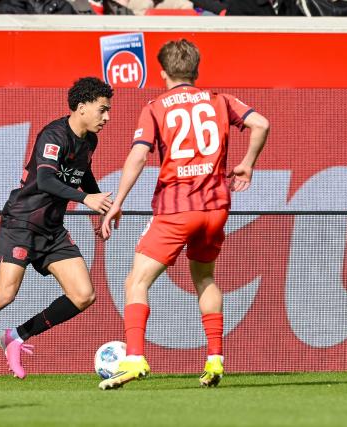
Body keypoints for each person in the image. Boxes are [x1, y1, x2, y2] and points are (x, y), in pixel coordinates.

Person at [98, 39, 269, 390]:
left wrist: (117, 202)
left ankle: (133, 359)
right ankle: (215, 359)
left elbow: (138, 157)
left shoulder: (156, 107)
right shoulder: (220, 100)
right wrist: (247, 165)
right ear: (196, 71)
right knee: (205, 278)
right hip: (216, 207)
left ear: (162, 73)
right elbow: (262, 124)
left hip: (177, 207)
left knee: (136, 281)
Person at [0, 77, 114, 383]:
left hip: (52, 230)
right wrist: (86, 199)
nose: (107, 117)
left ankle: (15, 337)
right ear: (81, 108)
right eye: (102, 110)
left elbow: (83, 173)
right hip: (22, 223)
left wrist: (102, 206)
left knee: (83, 295)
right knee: (4, 294)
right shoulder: (53, 135)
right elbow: (46, 180)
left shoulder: (90, 141)